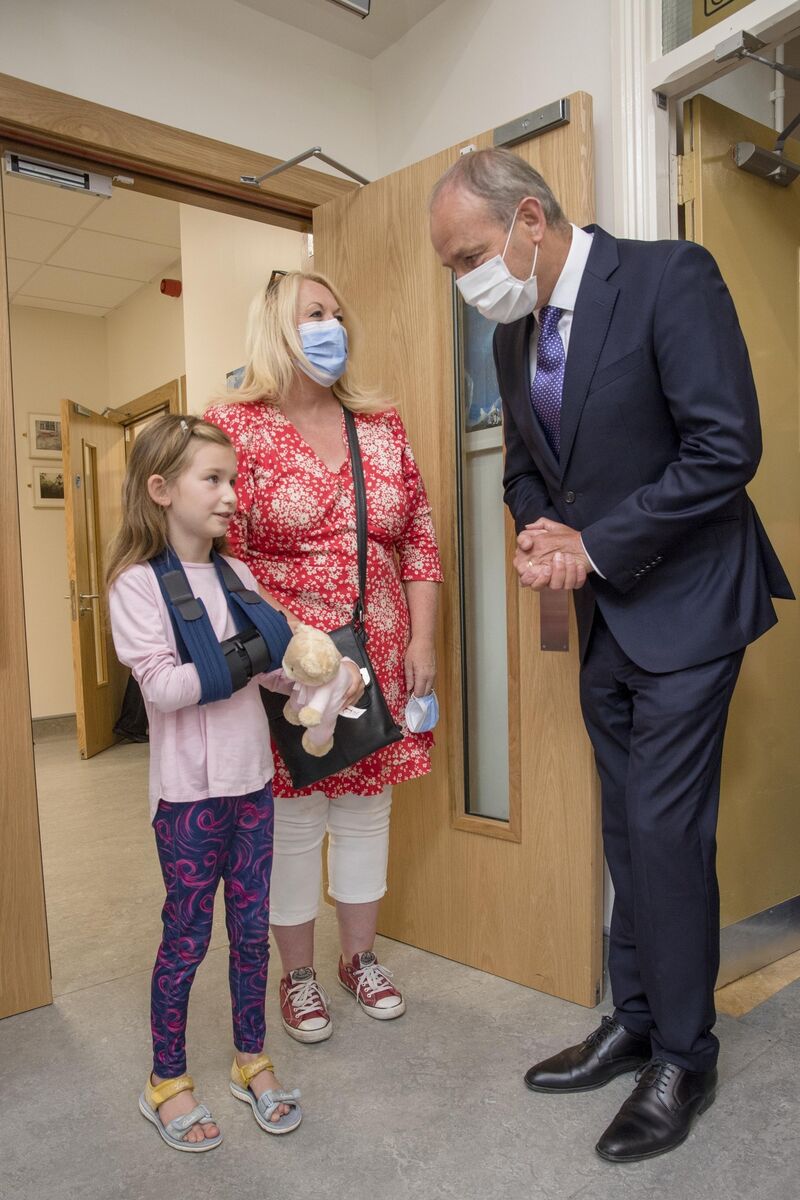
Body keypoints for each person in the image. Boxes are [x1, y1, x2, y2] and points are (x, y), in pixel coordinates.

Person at [429, 148, 793, 1163]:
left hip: (688, 607)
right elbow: (525, 472)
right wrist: (542, 532)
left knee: (666, 834)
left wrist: (594, 545)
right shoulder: (514, 338)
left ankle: (684, 1054)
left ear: (528, 220)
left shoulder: (669, 276)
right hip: (601, 618)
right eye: (451, 267)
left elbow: (724, 446)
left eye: (468, 256)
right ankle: (634, 1021)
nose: (465, 282)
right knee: (627, 830)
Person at [205, 271, 442, 1044]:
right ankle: (299, 974)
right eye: (315, 314)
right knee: (295, 816)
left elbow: (419, 536)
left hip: (378, 651)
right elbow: (221, 556)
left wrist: (423, 639)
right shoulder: (234, 426)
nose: (331, 326)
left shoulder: (378, 425)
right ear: (277, 324)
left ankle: (360, 959)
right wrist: (284, 647)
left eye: (337, 314)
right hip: (288, 662)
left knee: (368, 809)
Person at [107, 414, 355, 1150]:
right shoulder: (136, 586)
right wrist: (250, 656)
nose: (230, 496)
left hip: (251, 785)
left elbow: (274, 669)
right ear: (161, 489)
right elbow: (165, 688)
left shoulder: (236, 575)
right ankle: (166, 1081)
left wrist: (323, 677)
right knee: (186, 938)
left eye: (233, 479)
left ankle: (252, 1059)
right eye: (212, 480)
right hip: (186, 796)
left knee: (251, 934)